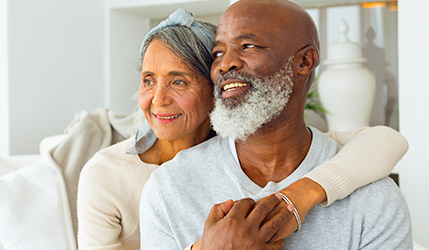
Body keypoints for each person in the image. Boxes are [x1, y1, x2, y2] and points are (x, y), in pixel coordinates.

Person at [77, 8, 409, 250]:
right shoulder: (163, 188)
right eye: (219, 53)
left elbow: (386, 141)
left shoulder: (372, 196)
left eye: (247, 46)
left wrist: (301, 194)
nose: (227, 63)